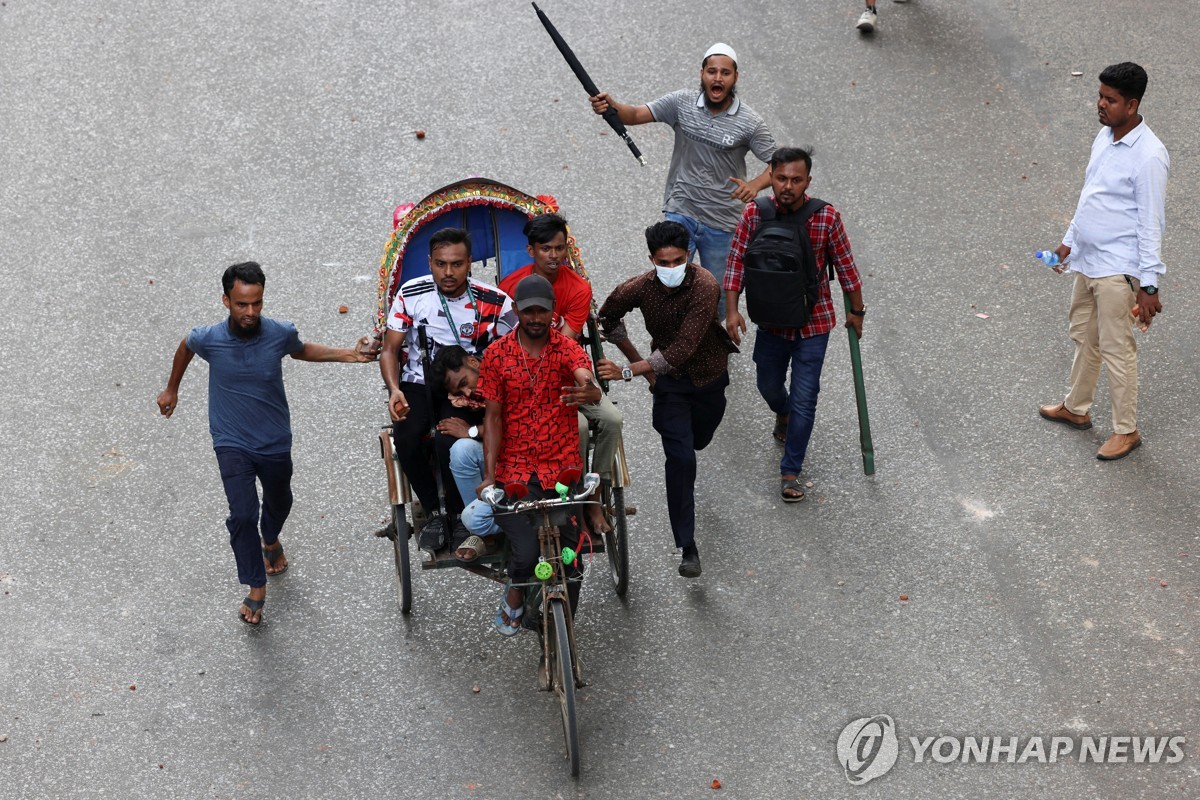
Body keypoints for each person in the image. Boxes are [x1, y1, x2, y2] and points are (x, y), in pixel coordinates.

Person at [155, 261, 375, 625]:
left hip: (274, 440)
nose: (250, 312)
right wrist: (171, 388)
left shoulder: (278, 333)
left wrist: (349, 354)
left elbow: (301, 349)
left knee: (280, 499)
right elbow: (185, 346)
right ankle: (256, 585)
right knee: (243, 514)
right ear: (225, 300)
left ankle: (270, 539)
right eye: (242, 304)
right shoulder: (208, 337)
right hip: (230, 440)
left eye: (257, 303)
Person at [1038, 62, 1169, 461]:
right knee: (1085, 336)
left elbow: (1151, 225)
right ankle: (1076, 409)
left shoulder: (1149, 156)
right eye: (1099, 96)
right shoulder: (1104, 136)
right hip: (1089, 261)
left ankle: (1126, 431)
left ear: (1132, 105)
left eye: (1110, 100)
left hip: (1118, 270)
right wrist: (1068, 243)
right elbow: (1090, 195)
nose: (1100, 104)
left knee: (1117, 349)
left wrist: (1148, 286)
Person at [589, 42, 778, 318]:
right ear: (702, 73)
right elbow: (635, 114)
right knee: (670, 279)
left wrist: (755, 185)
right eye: (711, 71)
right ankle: (672, 339)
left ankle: (709, 340)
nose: (717, 78)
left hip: (723, 221)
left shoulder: (750, 122)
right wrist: (611, 105)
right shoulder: (681, 103)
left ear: (735, 78)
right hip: (681, 208)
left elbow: (779, 164)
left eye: (725, 73)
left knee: (719, 294)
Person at [725, 147, 865, 503]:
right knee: (769, 386)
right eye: (782, 178)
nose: (788, 186)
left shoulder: (826, 218)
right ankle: (782, 413)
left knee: (806, 398)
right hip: (770, 321)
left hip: (812, 325)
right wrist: (731, 310)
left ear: (808, 182)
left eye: (796, 180)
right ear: (770, 175)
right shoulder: (755, 213)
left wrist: (857, 312)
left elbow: (847, 268)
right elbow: (736, 263)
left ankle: (791, 471)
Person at [596, 221, 735, 578]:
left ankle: (693, 442)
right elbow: (607, 319)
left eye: (677, 261)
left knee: (699, 440)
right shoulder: (639, 287)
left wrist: (631, 370)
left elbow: (685, 347)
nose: (670, 269)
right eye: (663, 262)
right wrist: (635, 358)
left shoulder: (705, 285)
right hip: (670, 386)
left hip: (708, 379)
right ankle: (687, 547)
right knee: (681, 458)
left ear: (688, 256)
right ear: (651, 260)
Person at [477, 274, 602, 635]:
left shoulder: (566, 349)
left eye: (542, 312)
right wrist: (489, 476)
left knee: (572, 559)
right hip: (514, 471)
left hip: (561, 469)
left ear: (552, 314)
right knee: (527, 553)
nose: (535, 318)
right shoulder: (497, 355)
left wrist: (589, 390)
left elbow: (585, 378)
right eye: (528, 311)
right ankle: (515, 592)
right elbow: (493, 417)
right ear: (516, 311)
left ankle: (559, 637)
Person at [379, 227, 516, 552]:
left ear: (470, 263)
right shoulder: (410, 294)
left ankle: (458, 513)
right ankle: (435, 511)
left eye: (457, 264)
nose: (448, 272)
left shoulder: (494, 301)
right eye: (441, 264)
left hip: (467, 385)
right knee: (407, 437)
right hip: (418, 382)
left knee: (449, 441)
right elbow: (389, 350)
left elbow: (513, 349)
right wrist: (394, 389)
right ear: (430, 263)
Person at [499, 213, 623, 533]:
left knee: (612, 420)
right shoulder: (508, 288)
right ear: (532, 251)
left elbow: (563, 344)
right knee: (578, 428)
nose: (554, 256)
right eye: (546, 249)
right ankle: (572, 502)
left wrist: (584, 379)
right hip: (524, 384)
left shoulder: (578, 287)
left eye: (559, 248)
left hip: (566, 374)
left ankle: (593, 495)